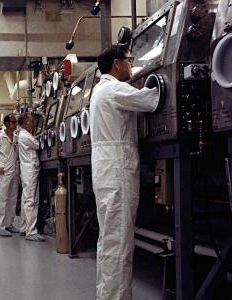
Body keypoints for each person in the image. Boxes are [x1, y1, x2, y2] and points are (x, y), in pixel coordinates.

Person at [90, 44, 160, 299]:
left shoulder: (99, 90)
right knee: (119, 242)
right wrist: (158, 80)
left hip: (106, 169)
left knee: (109, 239)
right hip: (117, 169)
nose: (132, 65)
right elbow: (152, 99)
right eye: (130, 60)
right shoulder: (114, 89)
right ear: (116, 64)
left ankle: (106, 295)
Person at [17, 112, 45, 242]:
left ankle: (24, 228)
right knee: (31, 200)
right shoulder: (25, 136)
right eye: (32, 120)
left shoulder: (23, 135)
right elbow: (39, 145)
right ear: (26, 122)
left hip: (27, 170)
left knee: (25, 199)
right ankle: (31, 231)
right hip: (30, 170)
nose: (33, 123)